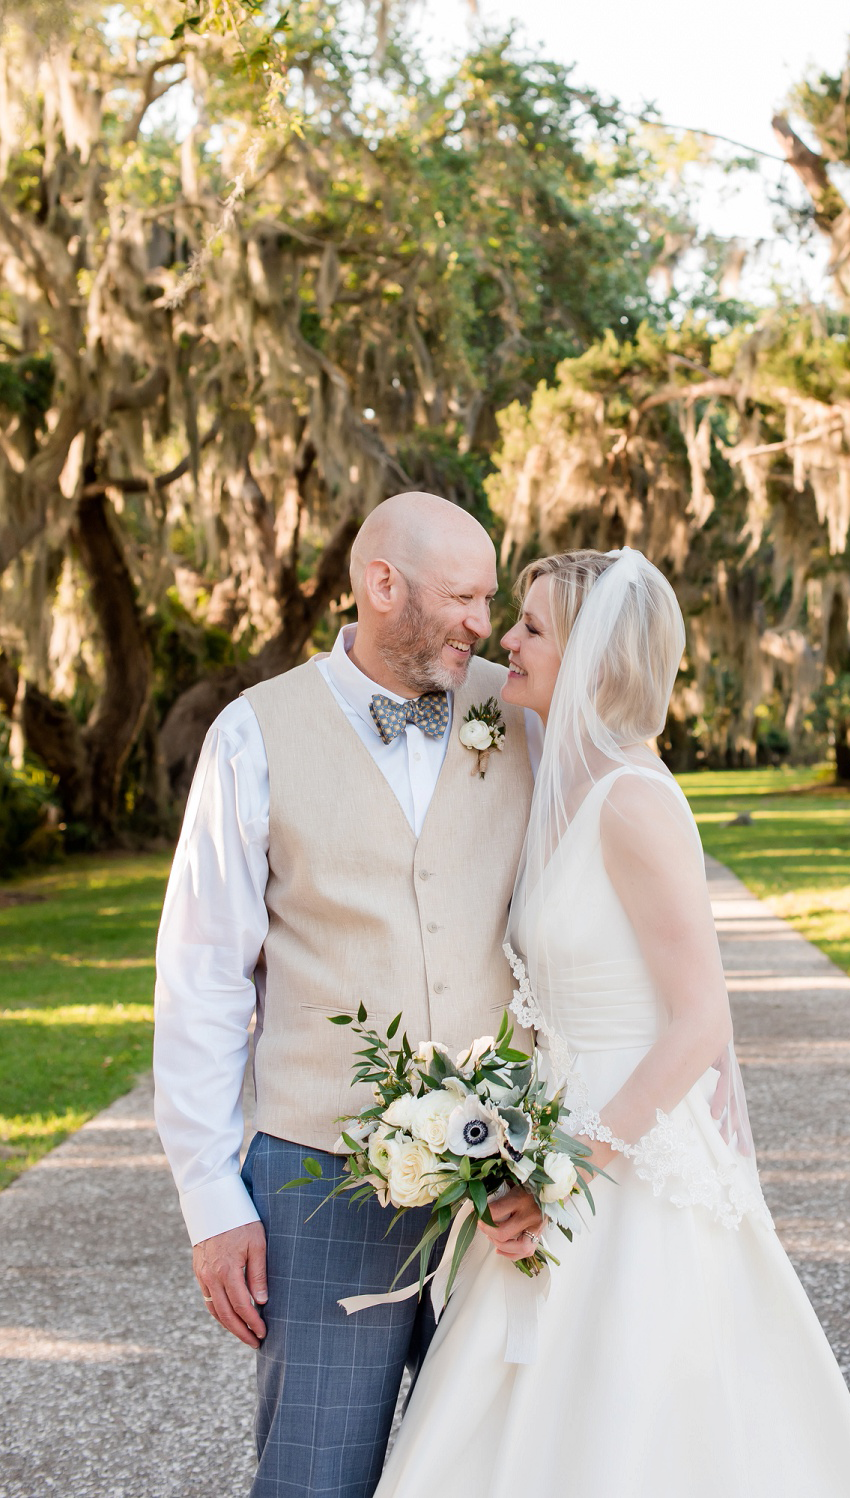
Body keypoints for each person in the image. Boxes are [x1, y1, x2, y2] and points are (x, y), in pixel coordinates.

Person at [375, 547, 850, 1498]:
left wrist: (565, 1169)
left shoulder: (637, 801)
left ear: (596, 660)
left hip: (624, 1148)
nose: (506, 641)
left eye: (532, 627)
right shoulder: (551, 774)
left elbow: (699, 1021)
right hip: (549, 1122)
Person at [153, 491, 544, 1498]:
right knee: (312, 1477)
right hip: (316, 1178)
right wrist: (209, 1199)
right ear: (382, 586)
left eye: (490, 598)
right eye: (461, 596)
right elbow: (201, 978)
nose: (481, 621)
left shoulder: (522, 709)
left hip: (504, 1181)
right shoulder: (254, 734)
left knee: (508, 1468)